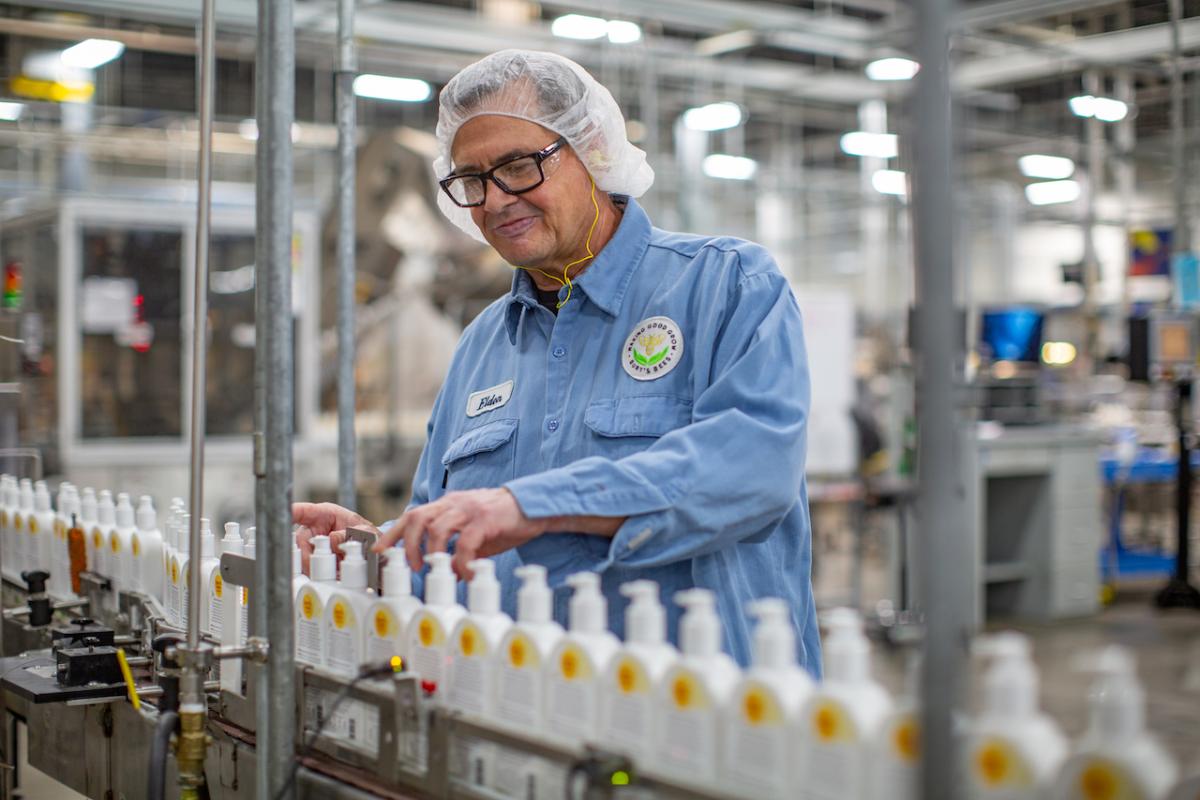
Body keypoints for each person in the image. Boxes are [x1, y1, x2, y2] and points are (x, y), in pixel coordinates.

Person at [294, 49, 820, 674]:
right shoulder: (482, 345)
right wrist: (370, 549)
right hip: (522, 719)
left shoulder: (725, 285)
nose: (493, 201)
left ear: (591, 146)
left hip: (703, 724)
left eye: (517, 166)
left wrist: (526, 505)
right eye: (471, 181)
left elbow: (751, 470)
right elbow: (449, 545)